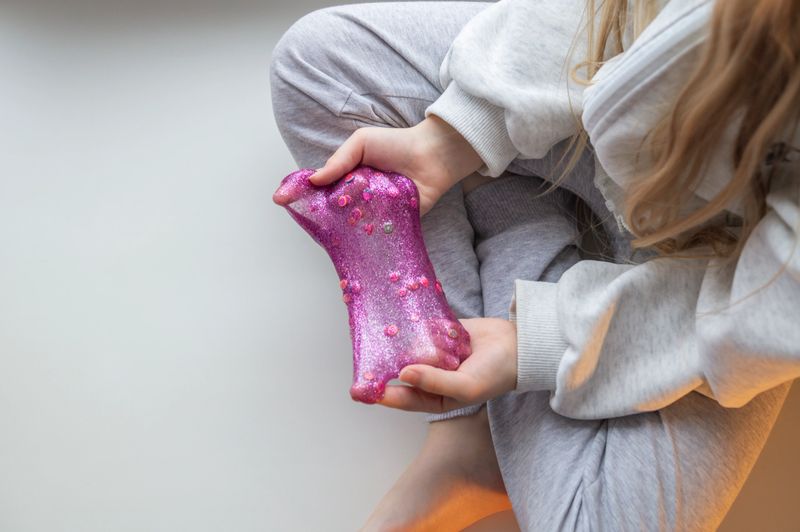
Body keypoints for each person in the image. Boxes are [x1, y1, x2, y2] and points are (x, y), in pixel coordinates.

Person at [269, 0, 800, 529]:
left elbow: (779, 306)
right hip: (604, 117)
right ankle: (467, 429)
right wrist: (451, 138)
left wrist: (542, 339)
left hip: (733, 265)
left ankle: (509, 211)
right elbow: (599, 11)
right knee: (317, 64)